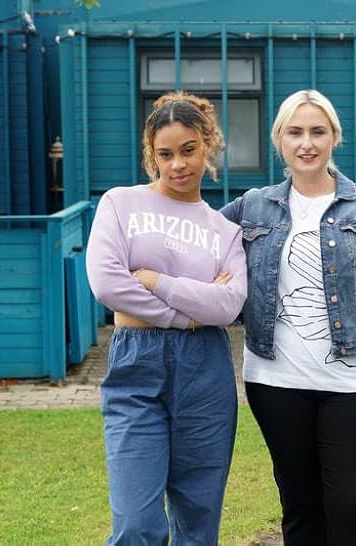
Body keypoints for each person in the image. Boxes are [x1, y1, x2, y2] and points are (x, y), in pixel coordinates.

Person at [220, 89, 356, 546]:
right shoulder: (252, 206)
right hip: (275, 382)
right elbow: (196, 243)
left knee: (352, 508)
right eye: (295, 132)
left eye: (317, 132)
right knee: (300, 509)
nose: (307, 143)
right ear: (279, 140)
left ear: (334, 138)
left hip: (353, 385)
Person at [85, 92, 247, 545]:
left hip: (205, 376)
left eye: (188, 150)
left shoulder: (223, 229)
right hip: (136, 368)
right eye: (165, 154)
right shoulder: (120, 204)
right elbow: (108, 285)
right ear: (150, 154)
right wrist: (190, 313)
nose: (178, 165)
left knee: (198, 525)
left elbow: (229, 305)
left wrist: (157, 282)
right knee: (137, 525)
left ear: (207, 145)